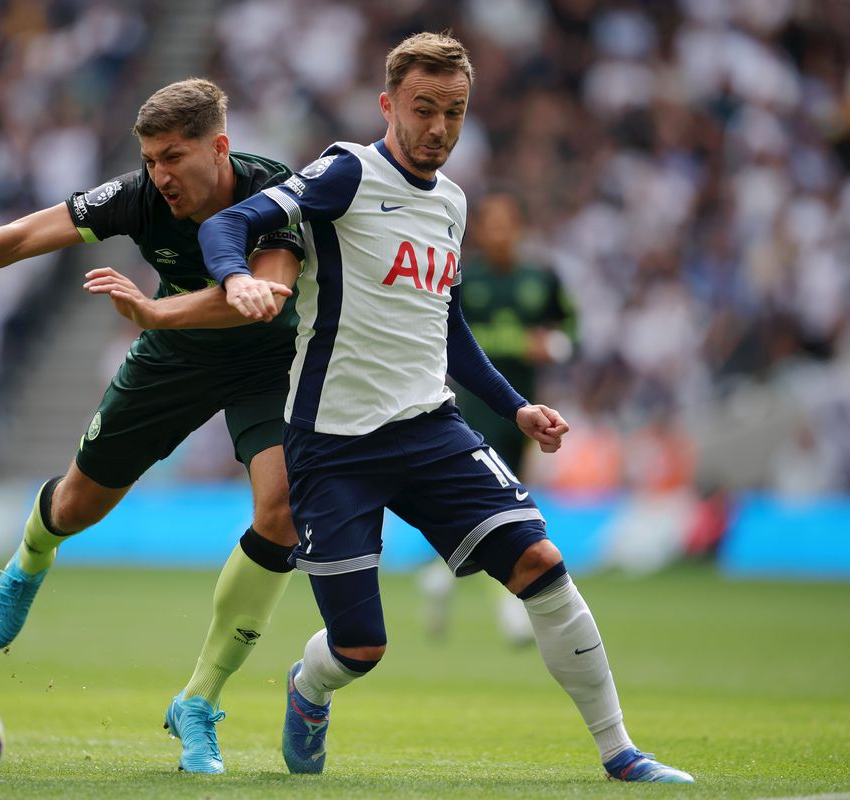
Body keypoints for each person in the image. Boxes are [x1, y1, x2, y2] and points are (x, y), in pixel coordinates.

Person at [198, 32, 693, 783]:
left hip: (431, 427)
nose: (438, 129)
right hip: (333, 445)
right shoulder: (344, 174)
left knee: (540, 561)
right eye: (423, 110)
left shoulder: (454, 203)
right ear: (389, 104)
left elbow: (448, 327)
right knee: (359, 648)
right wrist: (236, 279)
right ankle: (308, 688)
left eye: (454, 113)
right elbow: (225, 224)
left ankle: (620, 751)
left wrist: (517, 406)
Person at [0, 78, 302, 775]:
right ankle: (30, 559)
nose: (160, 175)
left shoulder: (274, 190)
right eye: (150, 159)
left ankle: (198, 699)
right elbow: (19, 237)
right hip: (173, 357)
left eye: (174, 157)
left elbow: (263, 298)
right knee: (76, 506)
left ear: (219, 147)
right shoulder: (137, 196)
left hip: (268, 363)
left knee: (281, 509)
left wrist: (165, 308)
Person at [421, 191, 577, 646]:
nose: (500, 233)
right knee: (506, 506)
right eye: (492, 224)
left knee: (508, 501)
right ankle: (512, 609)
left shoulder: (541, 276)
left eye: (508, 223)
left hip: (526, 408)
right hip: (477, 405)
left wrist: (555, 345)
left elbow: (573, 325)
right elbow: (445, 331)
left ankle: (440, 575)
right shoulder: (465, 278)